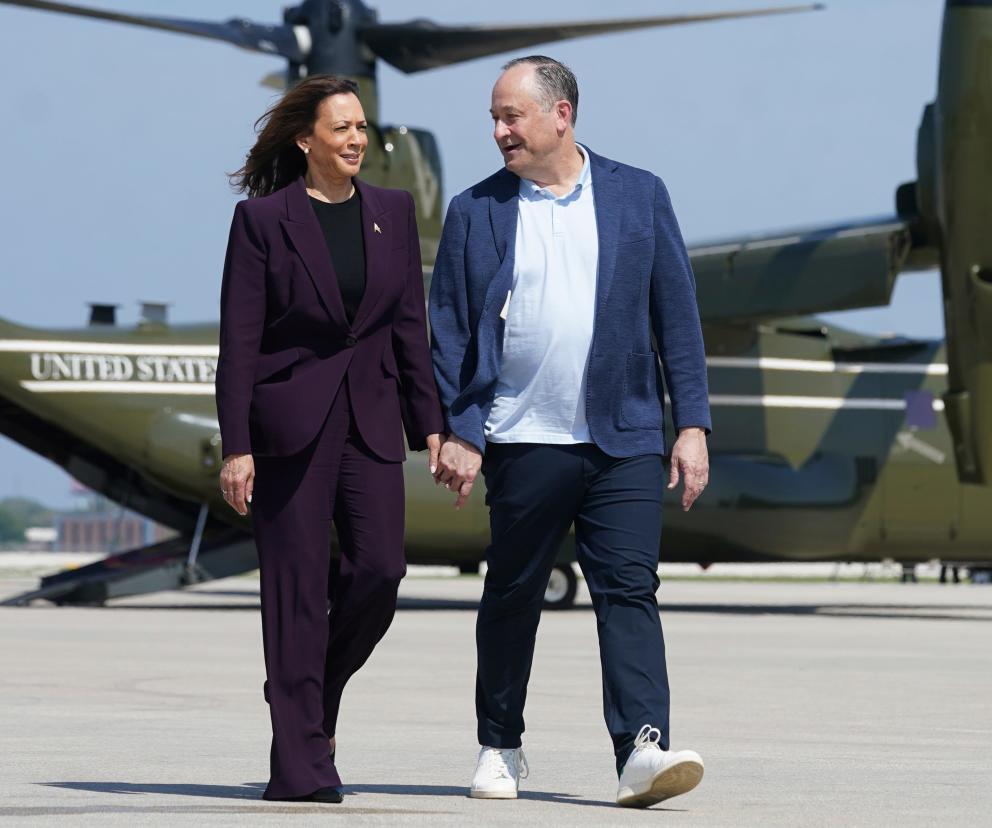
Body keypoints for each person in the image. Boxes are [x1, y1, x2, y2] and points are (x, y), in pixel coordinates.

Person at [429, 55, 711, 808]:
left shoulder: (638, 197)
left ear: (562, 114)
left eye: (511, 116)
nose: (498, 131)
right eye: (494, 117)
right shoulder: (476, 210)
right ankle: (499, 744)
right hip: (522, 437)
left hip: (624, 437)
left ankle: (640, 750)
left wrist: (692, 425)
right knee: (513, 594)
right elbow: (451, 333)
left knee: (628, 589)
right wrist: (458, 429)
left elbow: (676, 321)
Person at [215, 75, 444, 803]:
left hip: (371, 422)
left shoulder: (393, 212)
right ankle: (302, 769)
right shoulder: (263, 221)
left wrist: (430, 425)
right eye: (340, 127)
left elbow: (410, 324)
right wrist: (237, 444)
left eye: (361, 127)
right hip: (289, 429)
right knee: (294, 595)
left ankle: (312, 698)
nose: (355, 139)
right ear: (306, 139)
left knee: (381, 573)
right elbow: (240, 343)